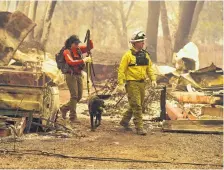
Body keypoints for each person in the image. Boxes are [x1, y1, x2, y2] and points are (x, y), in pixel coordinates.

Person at [117, 30, 157, 135]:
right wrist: (121, 83)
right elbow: (121, 70)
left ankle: (124, 121)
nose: (143, 43)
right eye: (141, 41)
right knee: (137, 105)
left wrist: (153, 79)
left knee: (136, 104)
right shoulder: (128, 55)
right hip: (132, 83)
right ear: (134, 43)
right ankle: (139, 127)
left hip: (142, 83)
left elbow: (150, 68)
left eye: (143, 41)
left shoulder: (145, 55)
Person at [60, 35, 93, 123]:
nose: (77, 45)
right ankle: (73, 117)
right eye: (76, 43)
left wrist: (89, 39)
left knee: (79, 96)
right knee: (74, 96)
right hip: (70, 75)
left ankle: (64, 108)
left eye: (78, 43)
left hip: (78, 75)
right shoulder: (66, 51)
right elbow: (71, 62)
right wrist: (83, 60)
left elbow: (89, 47)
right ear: (71, 44)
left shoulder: (78, 50)